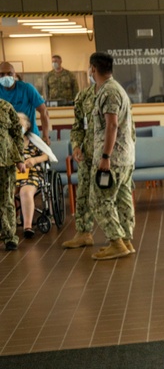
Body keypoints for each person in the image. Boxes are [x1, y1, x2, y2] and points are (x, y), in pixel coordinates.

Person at [89, 52, 136, 261]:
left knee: (99, 199)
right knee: (122, 198)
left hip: (113, 158)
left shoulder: (109, 92)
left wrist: (105, 156)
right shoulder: (117, 89)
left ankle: (116, 242)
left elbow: (112, 124)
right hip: (124, 157)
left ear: (93, 69)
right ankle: (126, 240)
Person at [61, 77, 98, 249]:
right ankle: (83, 233)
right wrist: (76, 146)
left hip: (111, 155)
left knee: (113, 197)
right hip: (87, 155)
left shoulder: (114, 93)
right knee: (82, 194)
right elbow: (77, 126)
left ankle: (121, 239)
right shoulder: (83, 96)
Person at [14, 112, 57, 238]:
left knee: (25, 192)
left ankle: (27, 226)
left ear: (27, 126)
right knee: (6, 193)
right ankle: (7, 227)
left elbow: (46, 155)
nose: (17, 125)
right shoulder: (10, 142)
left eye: (20, 122)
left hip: (32, 174)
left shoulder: (34, 140)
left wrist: (34, 160)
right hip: (14, 174)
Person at [0, 61, 50, 142]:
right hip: (6, 140)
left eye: (9, 74)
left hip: (30, 137)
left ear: (15, 75)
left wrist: (46, 136)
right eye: (2, 74)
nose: (6, 77)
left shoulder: (27, 89)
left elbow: (43, 111)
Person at [0, 100, 25, 251]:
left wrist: (20, 158)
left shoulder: (5, 106)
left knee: (6, 200)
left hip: (5, 161)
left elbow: (17, 132)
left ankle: (10, 237)